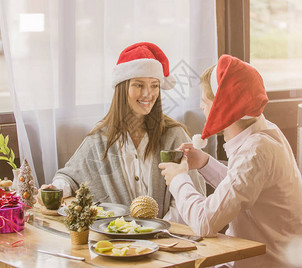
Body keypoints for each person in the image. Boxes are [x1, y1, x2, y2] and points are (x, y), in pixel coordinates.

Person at [159, 54, 302, 267]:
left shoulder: (255, 151)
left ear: (223, 108)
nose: (201, 106)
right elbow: (242, 189)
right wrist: (204, 163)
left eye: (205, 100)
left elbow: (204, 222)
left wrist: (178, 179)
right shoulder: (264, 133)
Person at [46, 42, 205, 222]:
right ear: (122, 88)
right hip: (116, 240)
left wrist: (160, 228)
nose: (148, 93)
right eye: (139, 85)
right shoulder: (101, 138)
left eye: (154, 85)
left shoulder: (174, 136)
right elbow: (70, 177)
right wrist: (56, 189)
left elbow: (191, 194)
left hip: (169, 237)